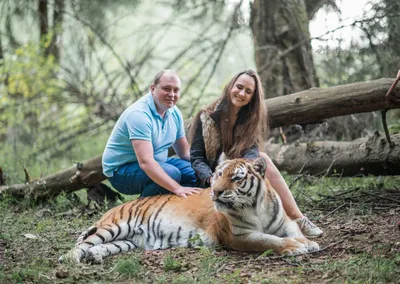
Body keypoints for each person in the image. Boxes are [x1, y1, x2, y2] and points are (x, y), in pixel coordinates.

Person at [189, 69, 323, 238]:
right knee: (261, 160)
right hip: (212, 182)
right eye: (239, 87)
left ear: (252, 97)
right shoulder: (206, 116)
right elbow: (196, 158)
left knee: (262, 157)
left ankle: (298, 219)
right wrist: (211, 178)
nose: (241, 93)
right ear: (230, 86)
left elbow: (252, 153)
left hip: (239, 180)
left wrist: (241, 170)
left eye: (248, 91)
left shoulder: (250, 119)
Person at [102, 70, 200, 198]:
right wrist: (177, 188)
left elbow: (184, 151)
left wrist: (206, 167)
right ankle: (142, 210)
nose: (171, 94)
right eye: (166, 89)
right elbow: (146, 162)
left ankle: (174, 208)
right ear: (153, 89)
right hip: (121, 172)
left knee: (197, 173)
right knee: (171, 174)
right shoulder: (139, 115)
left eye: (176, 90)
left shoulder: (174, 112)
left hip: (159, 162)